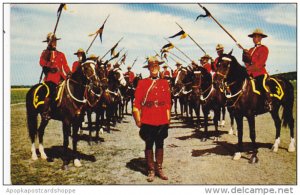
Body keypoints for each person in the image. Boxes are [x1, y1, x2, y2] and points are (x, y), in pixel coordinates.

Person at [133, 56, 171, 182]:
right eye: (151, 66)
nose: (154, 68)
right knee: (149, 143)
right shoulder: (142, 83)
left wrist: (167, 119)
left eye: (156, 66)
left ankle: (159, 168)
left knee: (160, 143)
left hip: (161, 118)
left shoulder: (164, 83)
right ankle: (151, 170)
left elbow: (167, 103)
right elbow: (137, 103)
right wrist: (138, 119)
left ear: (158, 67)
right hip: (148, 118)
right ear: (148, 68)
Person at [39, 32, 71, 120]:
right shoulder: (45, 53)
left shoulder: (61, 54)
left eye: (55, 41)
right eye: (52, 41)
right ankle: (46, 111)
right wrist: (49, 64)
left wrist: (69, 73)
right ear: (48, 43)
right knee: (52, 91)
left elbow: (65, 66)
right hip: (50, 78)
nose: (54, 43)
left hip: (61, 77)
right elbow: (41, 62)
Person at [242, 28, 272, 111]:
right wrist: (245, 55)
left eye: (257, 37)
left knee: (262, 85)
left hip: (260, 73)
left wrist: (249, 69)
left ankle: (268, 102)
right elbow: (246, 62)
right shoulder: (250, 50)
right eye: (254, 37)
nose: (255, 39)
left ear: (261, 38)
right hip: (250, 74)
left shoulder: (264, 48)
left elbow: (260, 63)